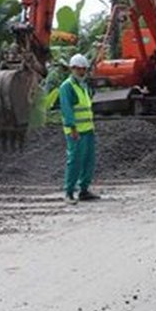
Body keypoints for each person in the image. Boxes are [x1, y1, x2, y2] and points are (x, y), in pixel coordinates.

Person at [59, 54, 100, 204]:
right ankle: (69, 192)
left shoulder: (83, 86)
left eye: (84, 69)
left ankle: (84, 190)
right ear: (72, 69)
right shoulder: (67, 87)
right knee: (75, 161)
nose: (82, 72)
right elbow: (67, 109)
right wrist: (72, 128)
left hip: (88, 130)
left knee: (89, 161)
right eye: (80, 69)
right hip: (76, 131)